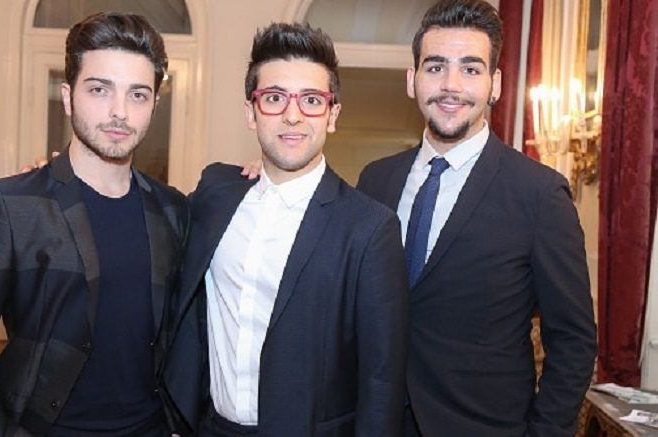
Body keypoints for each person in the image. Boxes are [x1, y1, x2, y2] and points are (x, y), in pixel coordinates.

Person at [0, 12, 188, 436]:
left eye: (138, 95)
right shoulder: (9, 207)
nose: (120, 112)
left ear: (154, 106)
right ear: (68, 97)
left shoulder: (173, 210)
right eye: (99, 89)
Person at [356, 0, 597, 436]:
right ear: (412, 80)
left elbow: (573, 342)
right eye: (435, 67)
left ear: (495, 84)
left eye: (470, 69)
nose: (451, 85)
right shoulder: (376, 181)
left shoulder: (540, 195)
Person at [163, 23, 409, 437]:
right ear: (251, 112)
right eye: (275, 98)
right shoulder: (216, 195)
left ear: (332, 115)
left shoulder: (369, 228)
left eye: (311, 100)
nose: (292, 115)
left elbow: (381, 381)